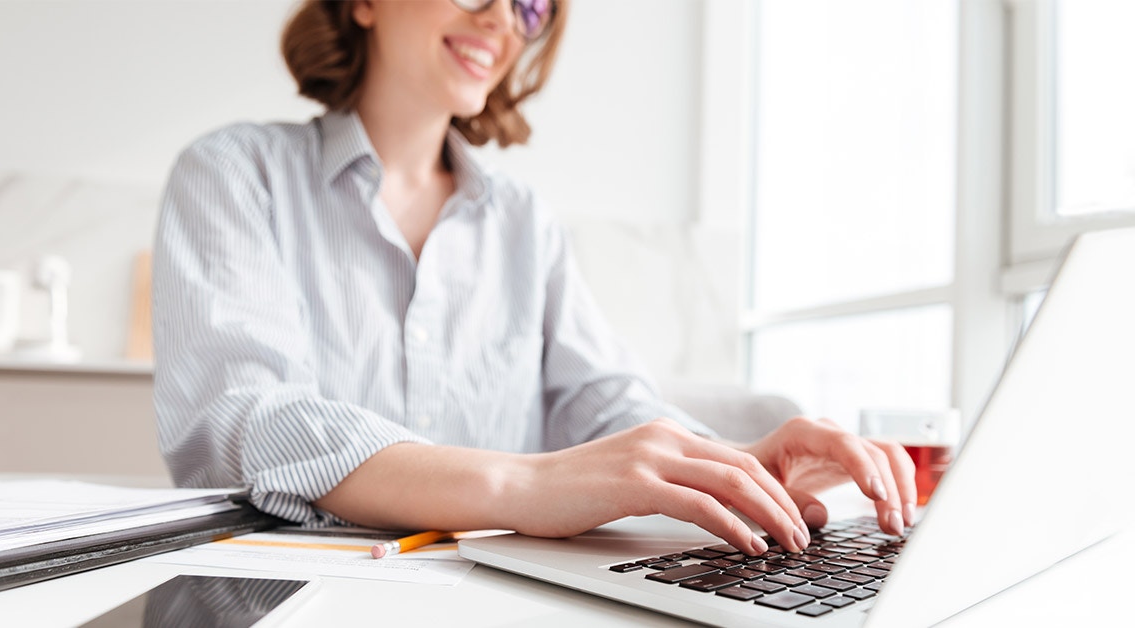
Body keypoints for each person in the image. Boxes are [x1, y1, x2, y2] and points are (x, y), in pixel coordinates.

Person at [154, 0, 916, 558]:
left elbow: (607, 404)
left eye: (529, 7)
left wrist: (732, 464)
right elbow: (246, 420)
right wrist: (523, 486)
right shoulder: (232, 175)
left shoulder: (524, 223)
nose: (500, 20)